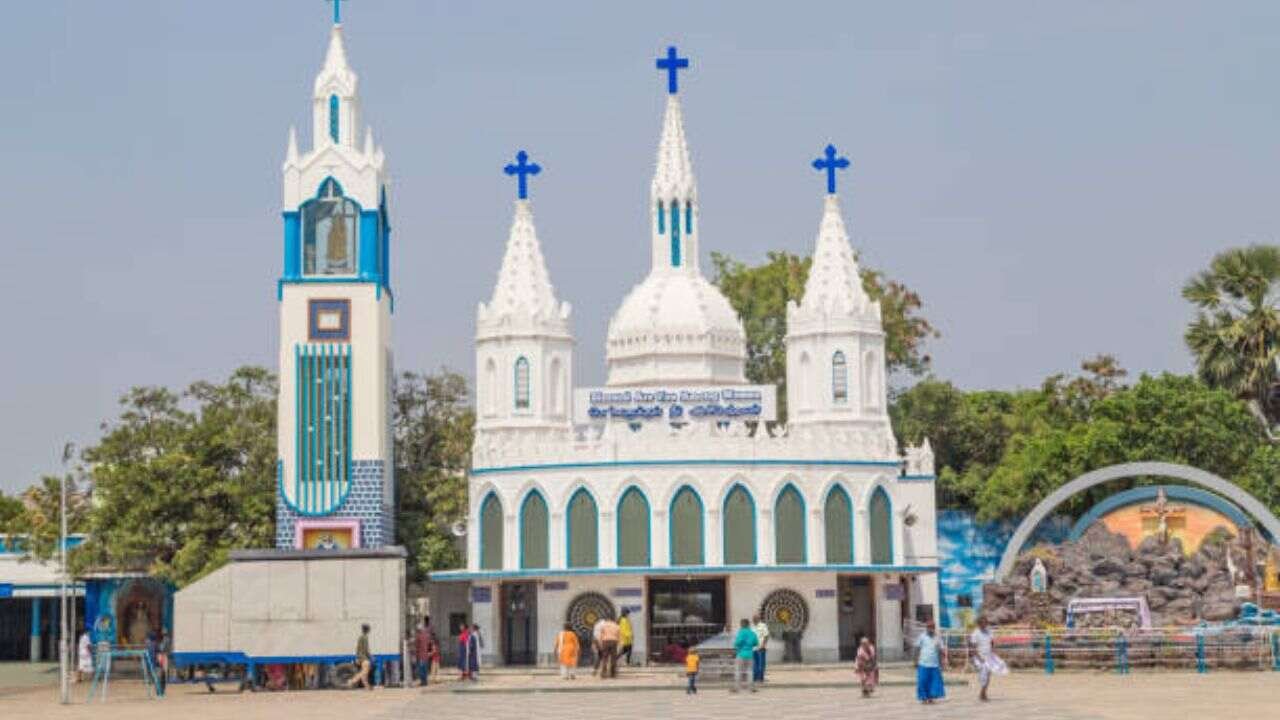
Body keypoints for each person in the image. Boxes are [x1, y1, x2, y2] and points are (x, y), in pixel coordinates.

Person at [969, 617, 1006, 702]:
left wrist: (993, 652)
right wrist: (979, 657)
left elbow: (992, 643)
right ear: (979, 624)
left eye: (986, 623)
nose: (985, 625)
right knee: (983, 675)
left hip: (988, 656)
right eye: (983, 623)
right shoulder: (975, 633)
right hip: (979, 656)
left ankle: (983, 693)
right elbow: (973, 647)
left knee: (988, 675)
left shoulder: (989, 632)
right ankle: (982, 693)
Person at [914, 622, 946, 704]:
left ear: (934, 628)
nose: (930, 629)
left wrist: (943, 661)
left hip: (934, 664)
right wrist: (915, 660)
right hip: (923, 663)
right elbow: (917, 648)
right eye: (929, 627)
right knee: (922, 681)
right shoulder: (922, 636)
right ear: (926, 628)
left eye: (932, 627)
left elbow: (941, 650)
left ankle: (931, 697)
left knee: (933, 682)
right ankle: (924, 698)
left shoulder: (937, 637)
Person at [732, 619, 758, 693]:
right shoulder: (752, 633)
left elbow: (737, 643)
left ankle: (736, 688)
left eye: (741, 624)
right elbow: (756, 643)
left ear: (742, 624)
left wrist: (739, 645)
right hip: (750, 654)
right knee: (750, 671)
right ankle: (751, 688)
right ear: (748, 624)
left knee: (738, 671)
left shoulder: (741, 632)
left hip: (741, 654)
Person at [348, 624, 374, 690]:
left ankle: (367, 686)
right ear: (368, 630)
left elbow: (358, 648)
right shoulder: (364, 637)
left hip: (361, 657)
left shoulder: (361, 637)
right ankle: (352, 681)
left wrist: (357, 657)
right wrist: (371, 657)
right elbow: (366, 649)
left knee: (364, 672)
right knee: (364, 672)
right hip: (364, 657)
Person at [414, 618, 436, 687]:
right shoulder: (427, 635)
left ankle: (423, 681)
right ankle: (425, 681)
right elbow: (431, 643)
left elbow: (416, 646)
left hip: (421, 655)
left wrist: (415, 653)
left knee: (421, 669)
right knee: (425, 668)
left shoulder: (418, 636)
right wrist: (432, 651)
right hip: (426, 655)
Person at [751, 614, 770, 684]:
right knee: (754, 664)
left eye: (755, 618)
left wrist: (763, 645)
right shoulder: (752, 627)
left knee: (761, 664)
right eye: (753, 619)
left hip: (761, 648)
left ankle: (760, 678)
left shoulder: (763, 625)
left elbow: (766, 635)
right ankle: (755, 678)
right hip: (753, 649)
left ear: (758, 619)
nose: (754, 620)